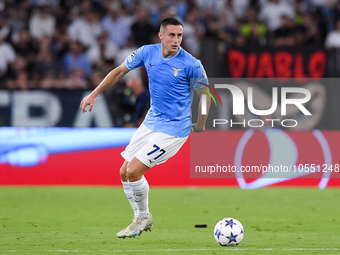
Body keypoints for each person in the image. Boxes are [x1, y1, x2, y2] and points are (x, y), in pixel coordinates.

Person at [80, 17, 211, 238]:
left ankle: (141, 219)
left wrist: (200, 123)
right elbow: (120, 71)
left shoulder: (191, 64)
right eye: (171, 35)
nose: (176, 40)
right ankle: (143, 216)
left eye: (179, 35)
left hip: (174, 130)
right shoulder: (146, 53)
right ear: (161, 35)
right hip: (151, 122)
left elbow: (205, 94)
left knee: (133, 171)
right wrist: (94, 93)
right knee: (123, 172)